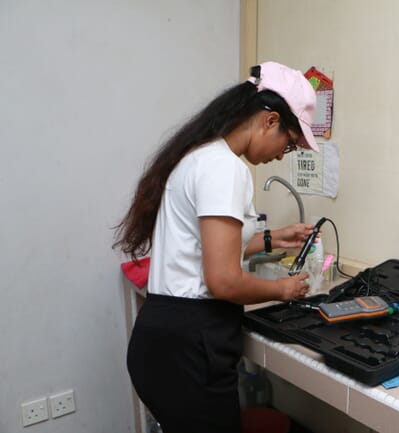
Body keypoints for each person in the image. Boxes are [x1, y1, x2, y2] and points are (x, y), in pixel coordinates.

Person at [113, 61, 319, 433]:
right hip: (188, 347)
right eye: (288, 144)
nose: (280, 155)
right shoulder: (225, 169)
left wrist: (273, 239)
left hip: (165, 342)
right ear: (269, 121)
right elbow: (223, 280)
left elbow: (206, 248)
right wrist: (282, 289)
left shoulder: (201, 157)